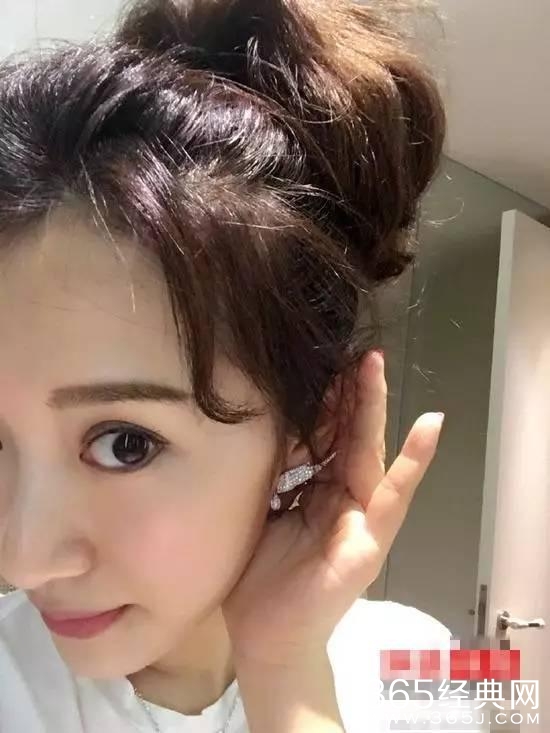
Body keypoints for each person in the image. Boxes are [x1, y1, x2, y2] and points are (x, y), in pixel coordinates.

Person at [0, 0, 450, 731]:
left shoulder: (422, 670)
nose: (23, 558)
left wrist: (286, 675)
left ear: (317, 425)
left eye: (125, 444)